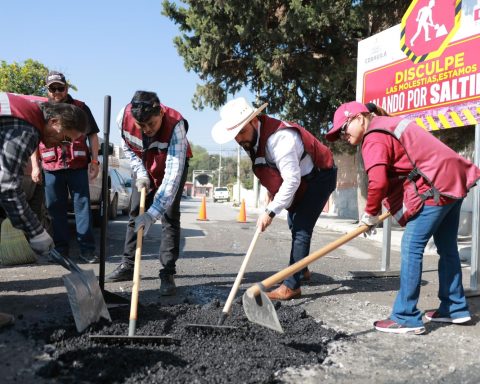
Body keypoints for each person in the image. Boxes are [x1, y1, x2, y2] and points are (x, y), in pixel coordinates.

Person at [326, 101, 480, 334]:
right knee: (447, 246)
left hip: (435, 187)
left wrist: (370, 214)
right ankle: (454, 307)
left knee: (411, 245)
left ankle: (406, 316)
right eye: (338, 134)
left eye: (343, 129)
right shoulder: (387, 124)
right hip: (451, 181)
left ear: (359, 118)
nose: (342, 136)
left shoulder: (374, 137)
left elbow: (378, 181)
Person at [211, 97, 337, 300]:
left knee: (301, 228)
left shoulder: (280, 139)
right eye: (235, 135)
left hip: (319, 177)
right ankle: (301, 268)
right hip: (301, 180)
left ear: (254, 121)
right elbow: (272, 169)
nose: (239, 139)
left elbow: (292, 180)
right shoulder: (254, 139)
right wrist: (272, 191)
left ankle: (291, 286)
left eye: (241, 132)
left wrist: (270, 212)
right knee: (293, 222)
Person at [0, 91, 88, 328]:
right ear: (55, 122)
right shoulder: (26, 126)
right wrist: (36, 231)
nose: (64, 145)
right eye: (66, 138)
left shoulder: (24, 113)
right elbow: (6, 187)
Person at [105, 91, 191, 296]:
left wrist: (153, 215)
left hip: (170, 166)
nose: (147, 130)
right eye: (141, 126)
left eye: (151, 124)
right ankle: (128, 265)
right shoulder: (123, 118)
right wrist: (142, 173)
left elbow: (171, 177)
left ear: (160, 112)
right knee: (135, 212)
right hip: (143, 164)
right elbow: (128, 149)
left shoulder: (176, 125)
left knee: (169, 216)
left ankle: (167, 272)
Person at [37, 71, 100, 263]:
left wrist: (95, 161)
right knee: (55, 210)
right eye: (52, 88)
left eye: (60, 88)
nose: (57, 92)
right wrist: (34, 166)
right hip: (50, 166)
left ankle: (87, 250)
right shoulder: (41, 110)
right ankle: (61, 251)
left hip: (77, 165)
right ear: (47, 90)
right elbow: (35, 139)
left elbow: (93, 135)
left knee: (82, 209)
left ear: (66, 88)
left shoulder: (80, 108)